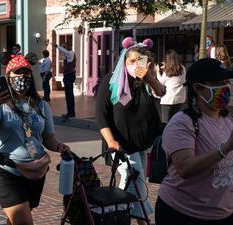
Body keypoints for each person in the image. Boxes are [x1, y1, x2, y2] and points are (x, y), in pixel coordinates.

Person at [0, 55, 70, 225]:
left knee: (17, 218)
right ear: (8, 77)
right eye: (17, 73)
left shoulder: (41, 105)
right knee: (23, 221)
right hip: (7, 170)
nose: (22, 77)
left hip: (35, 171)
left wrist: (58, 146)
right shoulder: (0, 105)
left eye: (26, 73)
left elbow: (47, 137)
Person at [96, 37, 166, 225]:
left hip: (143, 144)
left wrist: (149, 78)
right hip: (122, 145)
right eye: (131, 61)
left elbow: (162, 92)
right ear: (124, 61)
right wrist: (111, 141)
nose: (135, 65)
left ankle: (115, 214)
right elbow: (101, 115)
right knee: (137, 183)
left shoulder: (146, 83)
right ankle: (141, 220)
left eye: (139, 61)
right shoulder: (112, 81)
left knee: (131, 183)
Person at [155, 58, 233, 225]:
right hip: (182, 213)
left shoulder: (228, 119)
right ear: (197, 88)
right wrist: (225, 148)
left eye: (227, 81)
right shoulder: (182, 122)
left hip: (222, 213)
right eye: (219, 83)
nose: (226, 87)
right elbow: (185, 167)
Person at [155, 49, 186, 123]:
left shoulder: (167, 72)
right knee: (176, 122)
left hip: (168, 99)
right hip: (180, 98)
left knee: (166, 122)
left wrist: (157, 72)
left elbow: (160, 82)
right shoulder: (182, 68)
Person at [54, 42, 76, 118]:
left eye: (63, 47)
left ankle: (71, 112)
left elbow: (64, 51)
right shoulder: (68, 55)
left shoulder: (70, 53)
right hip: (68, 75)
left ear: (66, 47)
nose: (62, 50)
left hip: (69, 75)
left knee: (69, 95)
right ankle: (70, 112)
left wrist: (57, 46)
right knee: (68, 95)